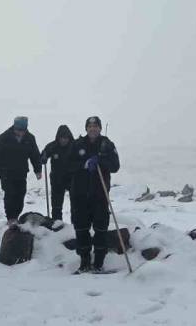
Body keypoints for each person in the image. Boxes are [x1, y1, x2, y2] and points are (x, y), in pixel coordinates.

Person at [67, 116, 120, 273]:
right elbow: (68, 165)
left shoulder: (107, 145)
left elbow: (115, 166)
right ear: (86, 128)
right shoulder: (77, 145)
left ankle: (98, 263)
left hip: (100, 194)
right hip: (79, 194)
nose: (92, 129)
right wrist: (84, 164)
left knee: (101, 228)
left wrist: (101, 160)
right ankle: (84, 262)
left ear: (100, 128)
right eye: (90, 126)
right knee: (81, 229)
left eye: (95, 126)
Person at [0, 116, 42, 225]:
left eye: (23, 131)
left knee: (20, 194)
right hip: (6, 172)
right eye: (18, 130)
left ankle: (15, 216)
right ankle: (11, 218)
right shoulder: (4, 137)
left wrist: (38, 170)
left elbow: (35, 155)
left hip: (21, 172)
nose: (21, 133)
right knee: (10, 194)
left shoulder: (30, 138)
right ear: (14, 128)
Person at [40, 125, 75, 222]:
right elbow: (43, 155)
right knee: (56, 206)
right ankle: (57, 225)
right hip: (57, 179)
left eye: (66, 138)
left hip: (72, 179)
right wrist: (43, 157)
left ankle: (75, 226)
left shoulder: (75, 145)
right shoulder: (52, 146)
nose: (64, 140)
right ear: (58, 137)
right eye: (61, 138)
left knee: (76, 205)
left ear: (69, 137)